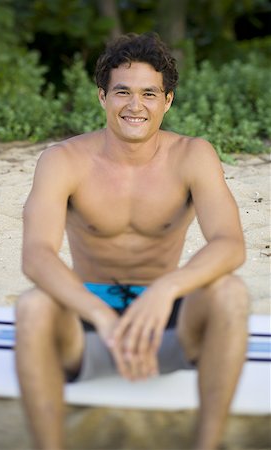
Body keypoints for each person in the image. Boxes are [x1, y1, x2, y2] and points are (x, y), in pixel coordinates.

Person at [16, 32, 249, 450]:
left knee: (230, 292)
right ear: (102, 97)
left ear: (168, 101)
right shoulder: (63, 160)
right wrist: (99, 314)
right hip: (88, 324)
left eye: (149, 93)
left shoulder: (193, 156)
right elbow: (36, 255)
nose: (135, 106)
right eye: (123, 91)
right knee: (33, 305)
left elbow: (230, 243)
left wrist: (167, 287)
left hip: (169, 321)